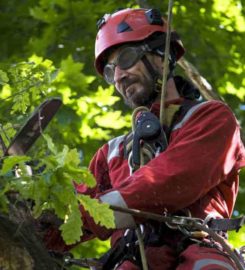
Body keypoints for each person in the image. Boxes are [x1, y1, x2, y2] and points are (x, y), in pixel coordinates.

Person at [46, 8, 245, 269]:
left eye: (126, 59)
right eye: (110, 70)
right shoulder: (112, 153)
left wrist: (98, 211)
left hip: (196, 252)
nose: (118, 76)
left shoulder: (211, 118)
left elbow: (172, 179)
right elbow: (69, 213)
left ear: (162, 58)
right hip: (131, 260)